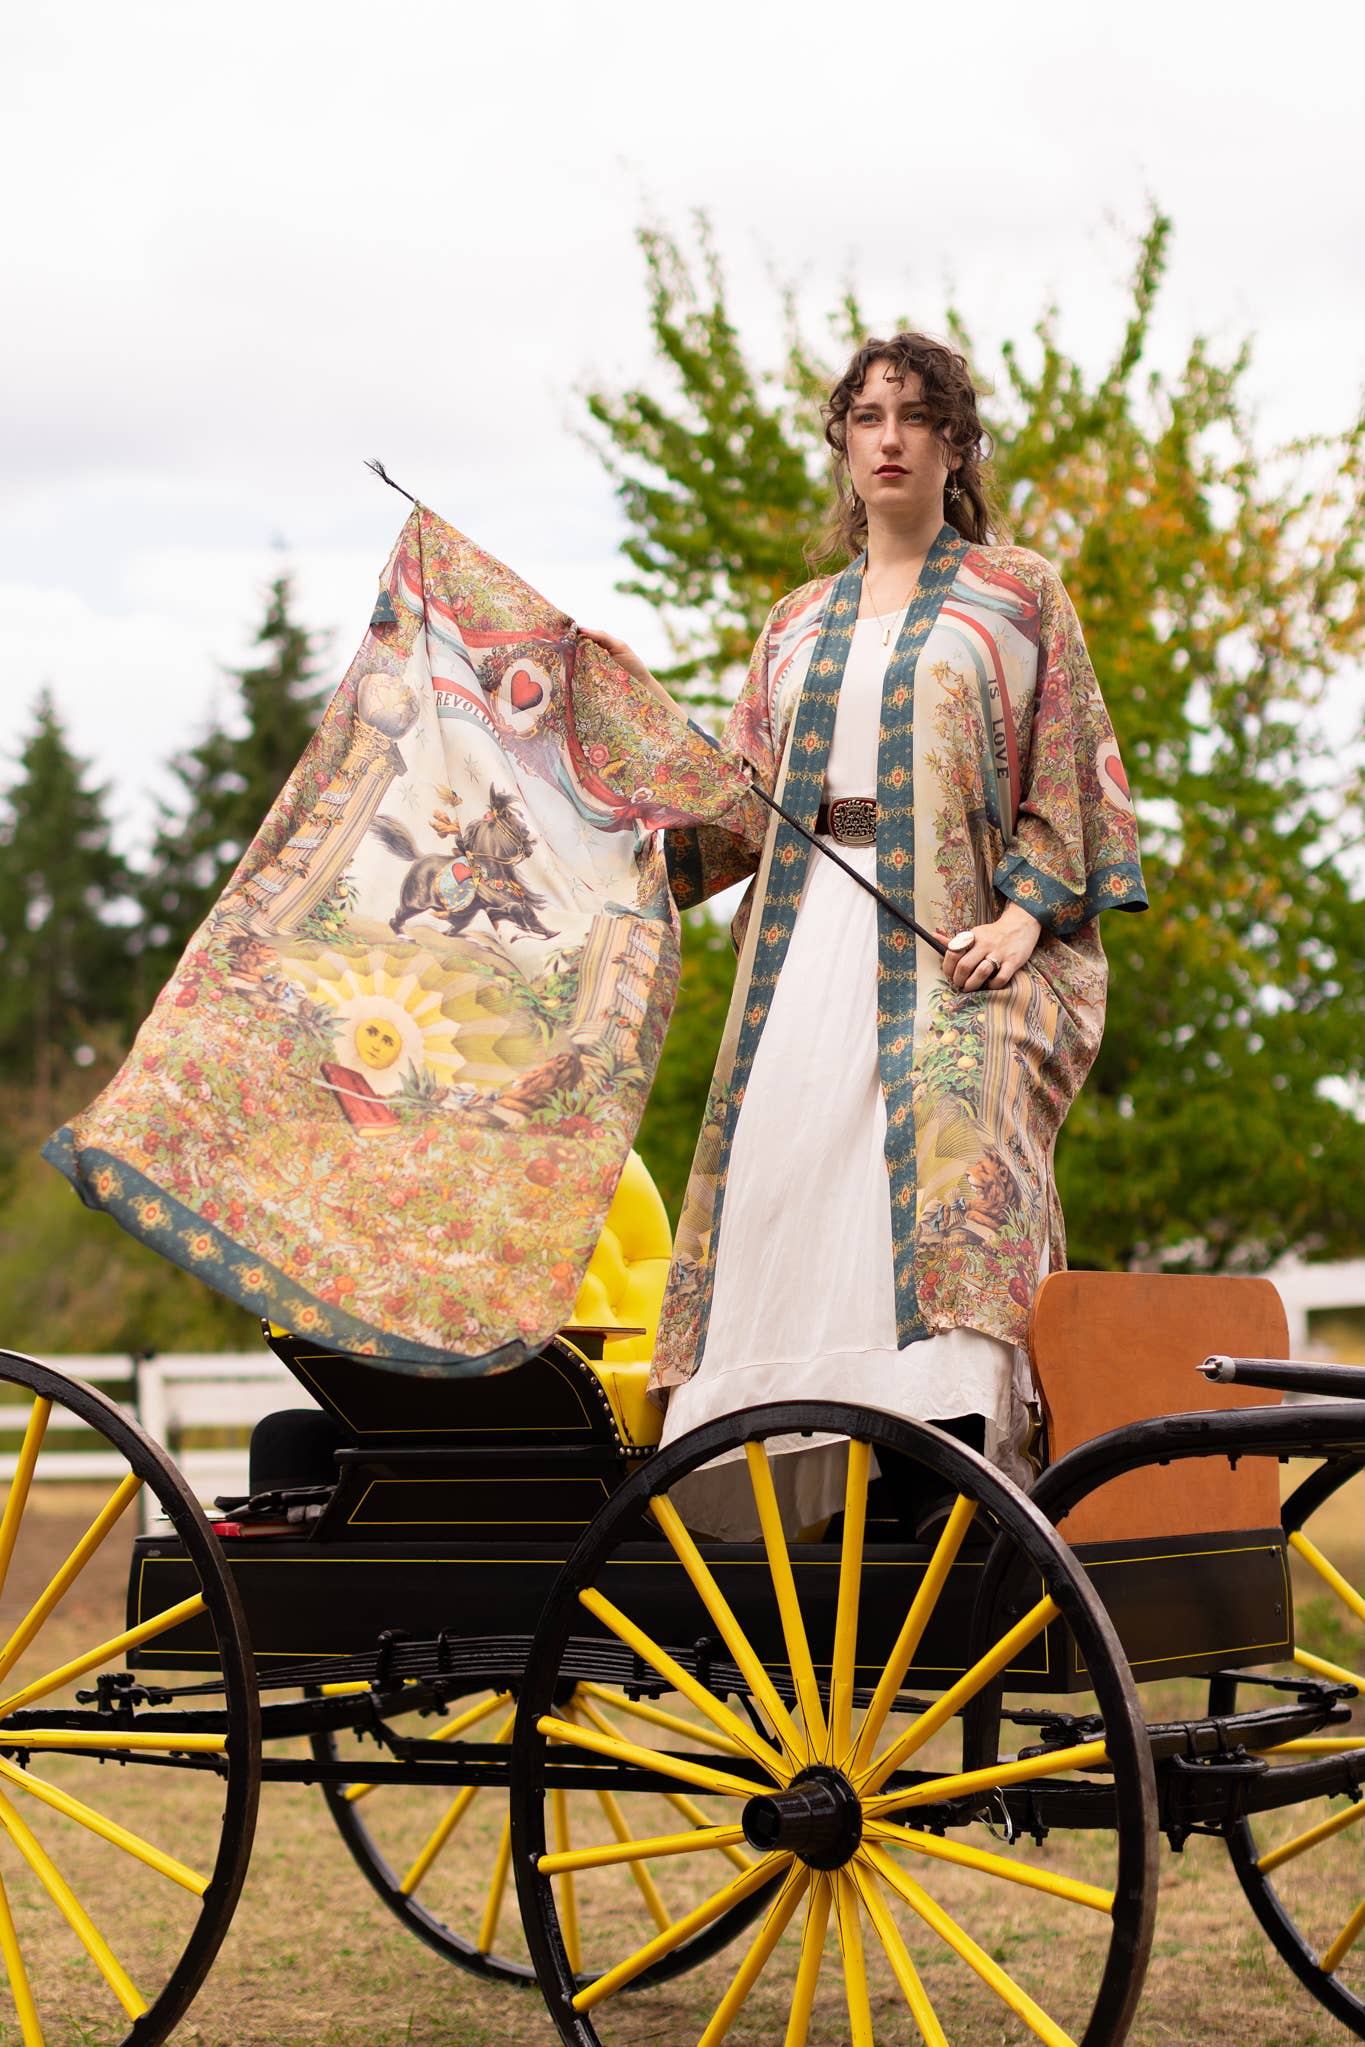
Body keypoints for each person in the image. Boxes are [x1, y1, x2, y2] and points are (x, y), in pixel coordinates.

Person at [581, 333, 1147, 1536]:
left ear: (956, 445)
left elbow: (1071, 774)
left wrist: (1021, 916)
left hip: (958, 945)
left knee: (952, 1164)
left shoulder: (1017, 596)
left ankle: (946, 1482)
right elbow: (738, 809)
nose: (891, 438)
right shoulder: (794, 624)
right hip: (802, 958)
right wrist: (632, 724)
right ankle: (834, 1515)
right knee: (790, 1190)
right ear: (843, 443)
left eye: (916, 416)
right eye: (869, 417)